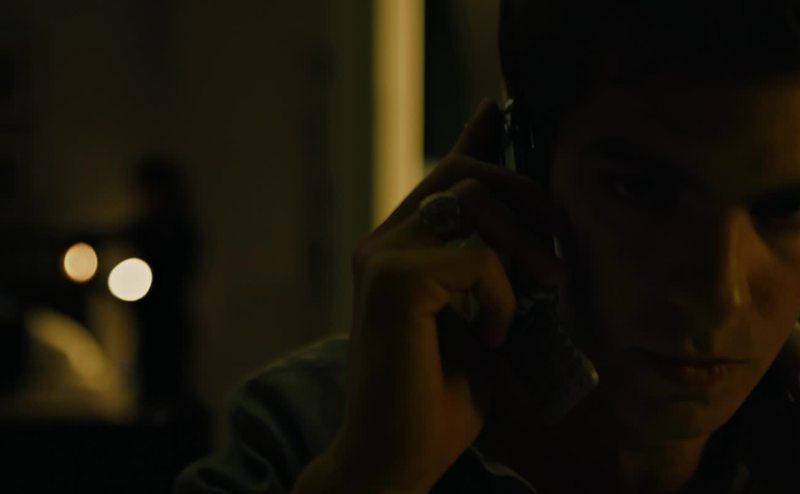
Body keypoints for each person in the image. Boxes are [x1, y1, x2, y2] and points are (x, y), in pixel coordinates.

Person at [175, 1, 800, 492]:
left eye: (789, 209)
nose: (722, 297)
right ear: (518, 162)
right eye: (642, 193)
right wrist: (377, 478)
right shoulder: (310, 435)